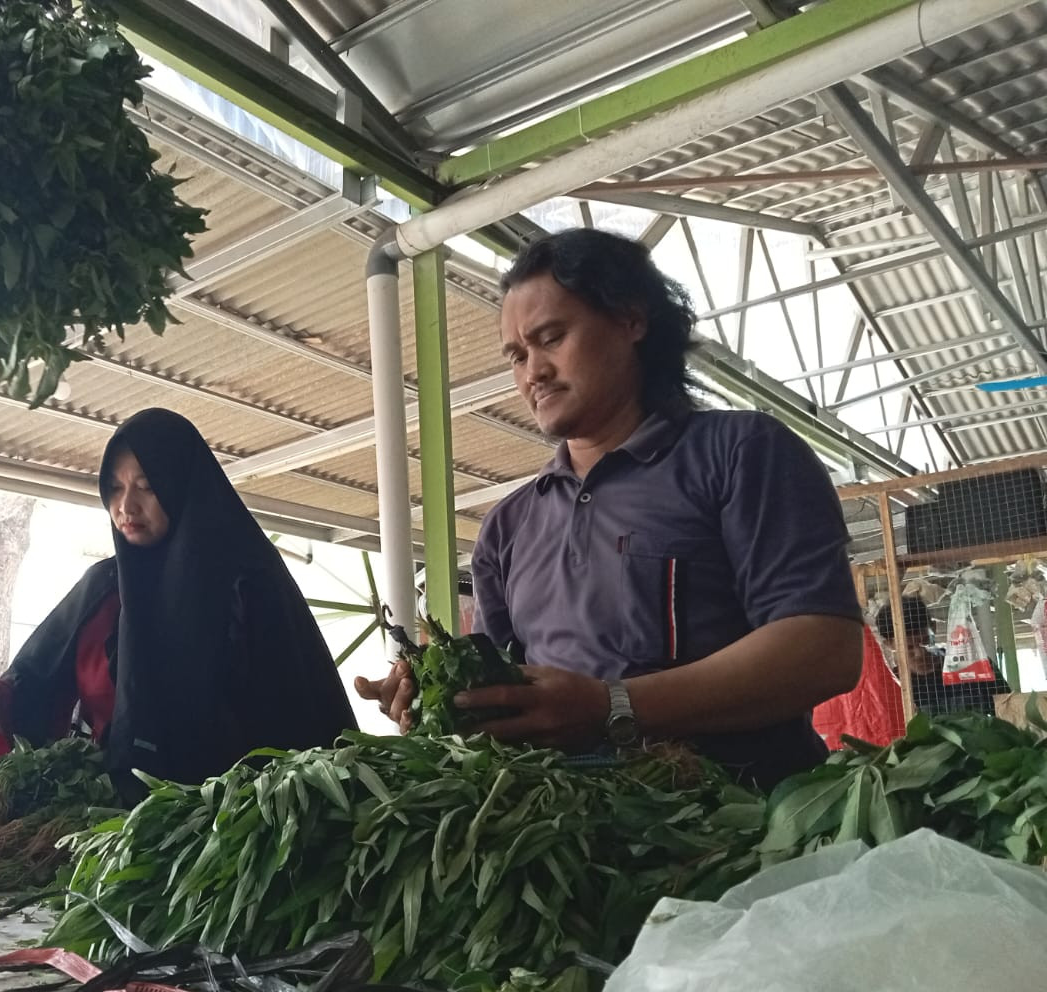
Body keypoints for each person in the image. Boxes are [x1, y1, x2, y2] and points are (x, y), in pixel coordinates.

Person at [356, 228, 863, 790]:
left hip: (748, 824)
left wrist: (612, 706)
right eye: (517, 356)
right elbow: (509, 697)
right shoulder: (509, 526)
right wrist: (436, 695)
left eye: (551, 338)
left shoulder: (739, 452)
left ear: (631, 321)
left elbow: (823, 647)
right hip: (576, 832)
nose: (533, 372)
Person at [0, 407, 356, 790]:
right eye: (114, 487)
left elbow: (302, 729)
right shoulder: (103, 590)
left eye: (147, 487)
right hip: (110, 838)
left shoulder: (248, 586)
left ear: (182, 486)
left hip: (229, 845)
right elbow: (27, 698)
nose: (125, 507)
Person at [873, 594, 1006, 715]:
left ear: (934, 627)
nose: (919, 653)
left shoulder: (974, 667)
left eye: (925, 642)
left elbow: (1009, 712)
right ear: (889, 644)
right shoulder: (890, 687)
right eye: (909, 647)